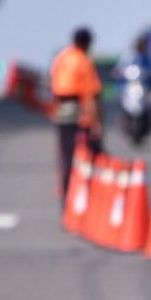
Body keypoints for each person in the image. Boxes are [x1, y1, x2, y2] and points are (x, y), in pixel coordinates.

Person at [49, 27, 103, 208]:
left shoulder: (62, 57)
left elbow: (53, 85)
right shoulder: (83, 61)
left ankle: (66, 199)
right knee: (90, 154)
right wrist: (95, 123)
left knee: (66, 157)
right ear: (87, 43)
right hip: (77, 113)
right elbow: (89, 95)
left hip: (61, 112)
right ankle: (87, 199)